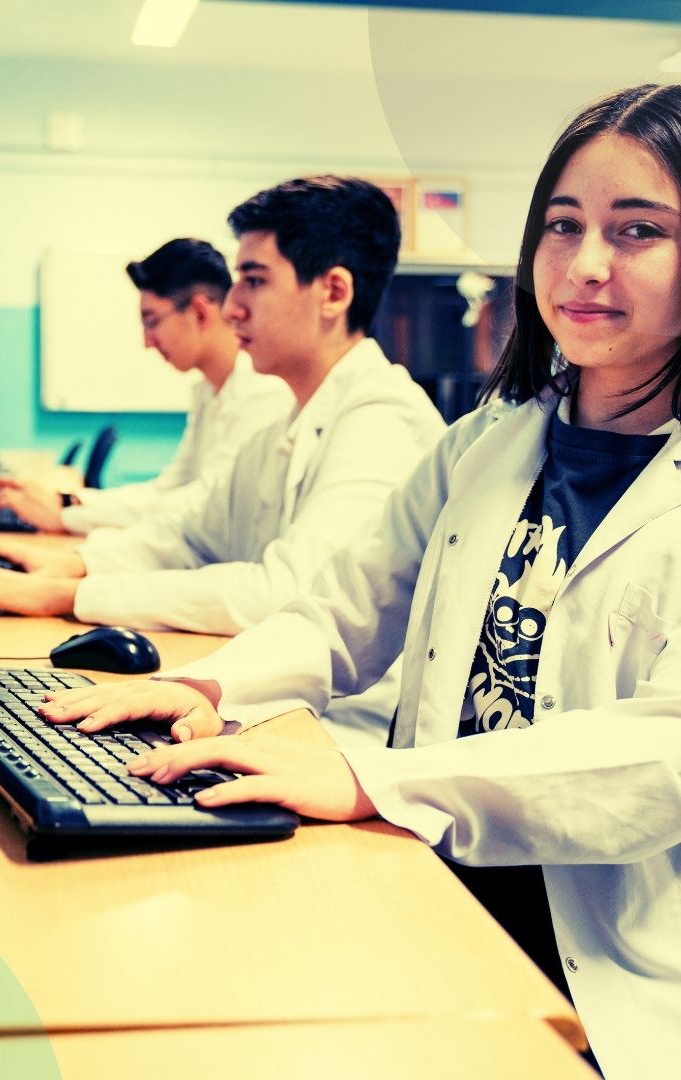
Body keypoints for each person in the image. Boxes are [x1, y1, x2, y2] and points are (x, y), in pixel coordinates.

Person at [38, 83, 681, 1079]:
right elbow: (346, 611)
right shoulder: (486, 443)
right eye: (564, 225)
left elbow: (657, 762)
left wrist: (371, 780)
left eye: (639, 230)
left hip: (603, 964)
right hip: (430, 876)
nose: (586, 265)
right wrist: (207, 687)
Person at [0, 176, 446, 744]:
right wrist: (71, 566)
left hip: (335, 733)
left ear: (333, 293)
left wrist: (71, 594)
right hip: (266, 701)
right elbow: (188, 532)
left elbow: (283, 592)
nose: (232, 306)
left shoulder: (384, 420)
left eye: (254, 281)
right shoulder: (291, 417)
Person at [0, 238, 291, 534]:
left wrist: (67, 515)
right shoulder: (209, 392)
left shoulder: (263, 392)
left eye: (152, 320)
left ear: (199, 312)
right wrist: (69, 501)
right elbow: (166, 491)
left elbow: (199, 506)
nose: (147, 342)